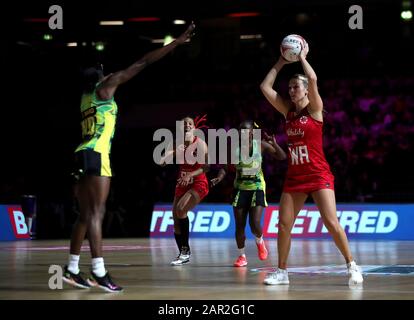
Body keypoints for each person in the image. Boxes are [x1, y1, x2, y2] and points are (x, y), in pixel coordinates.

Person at [63, 22, 196, 292]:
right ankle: (99, 271)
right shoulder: (105, 88)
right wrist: (175, 44)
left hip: (80, 154)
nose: (111, 73)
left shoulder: (85, 96)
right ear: (101, 77)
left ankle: (72, 268)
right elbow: (144, 62)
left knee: (84, 215)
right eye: (105, 71)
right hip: (97, 154)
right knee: (96, 214)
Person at [259, 40, 364, 286]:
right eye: (290, 87)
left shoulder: (315, 110)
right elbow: (265, 86)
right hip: (295, 176)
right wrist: (281, 62)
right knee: (283, 224)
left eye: (296, 87)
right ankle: (282, 272)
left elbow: (314, 79)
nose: (291, 90)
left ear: (306, 90)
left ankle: (352, 265)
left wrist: (303, 58)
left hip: (318, 174)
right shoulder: (288, 111)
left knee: (331, 222)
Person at [211, 121, 286, 267]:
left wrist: (274, 144)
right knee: (240, 225)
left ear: (252, 132)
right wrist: (219, 178)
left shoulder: (262, 145)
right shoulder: (233, 149)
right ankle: (242, 257)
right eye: (241, 131)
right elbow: (225, 168)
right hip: (240, 188)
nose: (244, 133)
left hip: (257, 186)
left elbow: (282, 156)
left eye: (247, 131)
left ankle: (260, 241)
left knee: (254, 223)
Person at [159, 115, 209, 266]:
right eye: (184, 124)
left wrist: (191, 175)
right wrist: (172, 152)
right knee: (176, 219)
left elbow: (206, 167)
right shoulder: (176, 143)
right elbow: (161, 162)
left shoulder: (200, 144)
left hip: (198, 182)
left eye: (190, 123)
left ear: (194, 127)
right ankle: (183, 253)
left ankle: (186, 251)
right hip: (182, 183)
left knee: (181, 210)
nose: (187, 125)